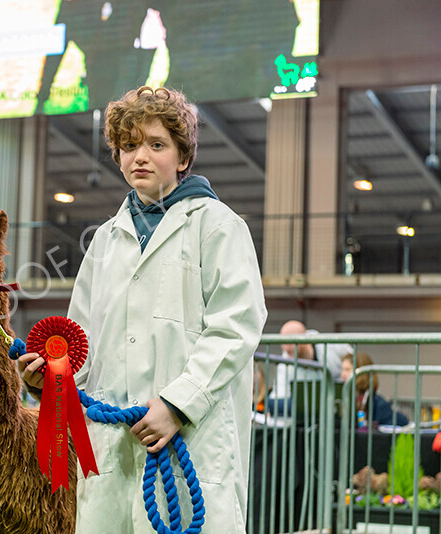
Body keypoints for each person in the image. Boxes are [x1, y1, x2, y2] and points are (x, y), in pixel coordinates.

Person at [19, 86, 266, 534]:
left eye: (157, 145)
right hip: (112, 453)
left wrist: (176, 405)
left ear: (183, 156)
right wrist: (51, 382)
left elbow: (236, 327)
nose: (141, 157)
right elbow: (82, 343)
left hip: (191, 443)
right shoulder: (104, 242)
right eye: (129, 145)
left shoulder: (219, 227)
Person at [269, 320, 353, 401]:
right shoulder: (284, 364)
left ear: (304, 337)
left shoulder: (332, 345)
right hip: (309, 410)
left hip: (342, 401)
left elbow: (357, 364)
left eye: (290, 342)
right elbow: (279, 397)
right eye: (282, 342)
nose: (286, 348)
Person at [341, 352, 408, 427]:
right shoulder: (342, 397)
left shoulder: (378, 404)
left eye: (347, 370)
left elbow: (402, 421)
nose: (343, 374)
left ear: (361, 373)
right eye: (342, 369)